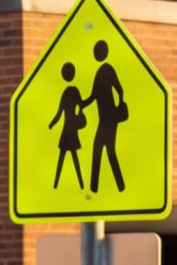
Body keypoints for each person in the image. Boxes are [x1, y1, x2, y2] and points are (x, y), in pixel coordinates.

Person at [87, 43, 131, 192]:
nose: (95, 54)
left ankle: (95, 188)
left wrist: (119, 107)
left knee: (99, 149)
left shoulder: (107, 69)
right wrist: (81, 104)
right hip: (104, 119)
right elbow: (93, 96)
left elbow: (119, 88)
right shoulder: (99, 72)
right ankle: (118, 186)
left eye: (97, 51)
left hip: (109, 120)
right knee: (108, 151)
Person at [47, 63, 89, 189]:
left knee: (64, 157)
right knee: (71, 157)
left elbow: (59, 113)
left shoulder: (66, 92)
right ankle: (79, 184)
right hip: (72, 129)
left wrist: (52, 124)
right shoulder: (74, 91)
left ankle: (57, 184)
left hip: (67, 129)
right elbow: (82, 104)